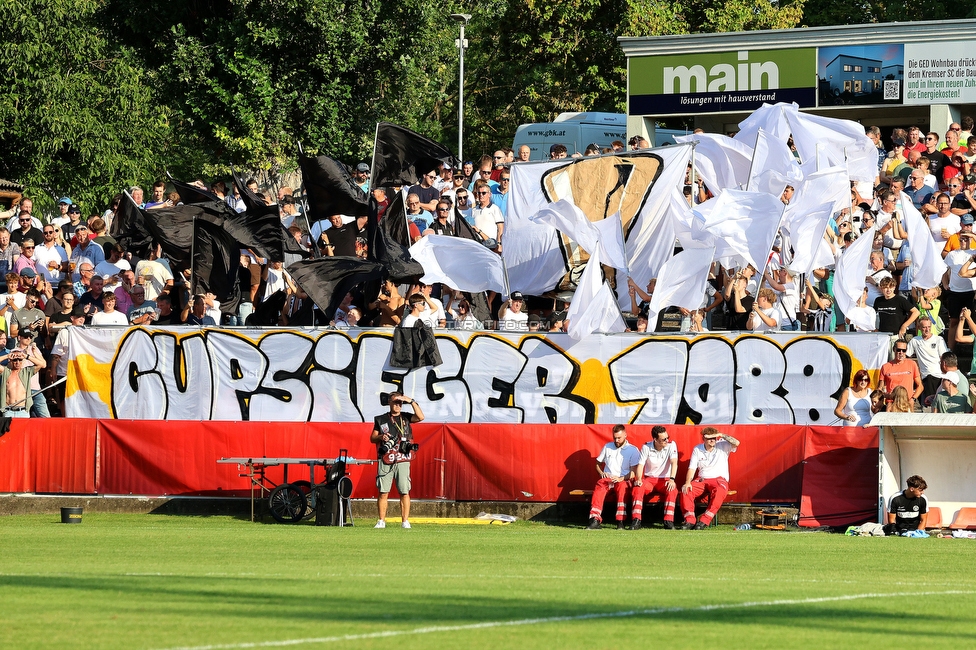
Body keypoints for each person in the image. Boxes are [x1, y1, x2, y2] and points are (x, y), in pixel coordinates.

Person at [370, 391, 424, 529]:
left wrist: (410, 401)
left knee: (404, 490)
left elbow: (421, 417)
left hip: (402, 457)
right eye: (395, 402)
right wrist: (381, 437)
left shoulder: (405, 417)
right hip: (387, 457)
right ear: (389, 402)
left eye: (400, 403)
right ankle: (381, 520)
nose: (398, 405)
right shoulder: (381, 419)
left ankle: (405, 521)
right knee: (383, 491)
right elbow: (372, 438)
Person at [680, 427, 740, 530]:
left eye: (714, 438)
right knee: (686, 490)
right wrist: (687, 482)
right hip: (702, 479)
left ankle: (704, 521)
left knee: (720, 491)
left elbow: (737, 443)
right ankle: (689, 521)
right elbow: (692, 467)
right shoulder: (697, 449)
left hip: (719, 479)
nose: (712, 440)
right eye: (709, 438)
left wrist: (720, 435)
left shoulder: (723, 445)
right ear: (703, 438)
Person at [586, 424, 641, 530]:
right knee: (600, 485)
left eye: (619, 438)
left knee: (621, 487)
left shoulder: (633, 450)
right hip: (609, 479)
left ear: (625, 435)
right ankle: (595, 519)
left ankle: (620, 521)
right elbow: (597, 464)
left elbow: (634, 472)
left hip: (624, 479)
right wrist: (601, 473)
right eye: (614, 438)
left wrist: (621, 478)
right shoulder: (607, 447)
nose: (616, 440)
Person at [630, 425, 679, 530]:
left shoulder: (671, 445)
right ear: (655, 439)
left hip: (665, 479)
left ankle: (668, 521)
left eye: (667, 437)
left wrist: (672, 479)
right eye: (663, 439)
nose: (667, 440)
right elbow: (641, 465)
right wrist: (638, 479)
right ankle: (636, 520)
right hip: (649, 479)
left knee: (672, 489)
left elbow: (674, 462)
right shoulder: (646, 447)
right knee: (637, 488)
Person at [0, 347, 45, 418]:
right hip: (8, 411)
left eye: (20, 359)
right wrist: (7, 356)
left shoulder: (27, 371)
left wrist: (26, 356)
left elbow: (41, 364)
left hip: (23, 411)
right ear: (10, 361)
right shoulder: (5, 371)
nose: (17, 362)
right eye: (15, 360)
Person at [879, 341, 923, 409]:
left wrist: (913, 399)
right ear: (894, 349)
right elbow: (880, 389)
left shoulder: (912, 364)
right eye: (898, 350)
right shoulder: (885, 367)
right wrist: (885, 395)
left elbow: (920, 386)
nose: (901, 352)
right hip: (892, 404)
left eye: (904, 350)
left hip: (907, 404)